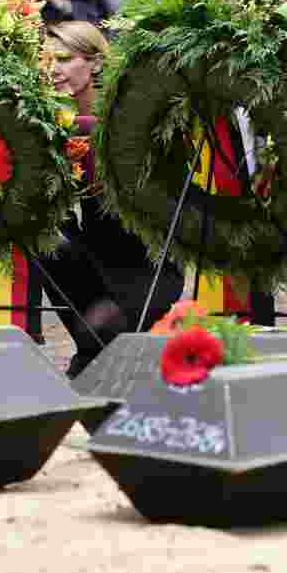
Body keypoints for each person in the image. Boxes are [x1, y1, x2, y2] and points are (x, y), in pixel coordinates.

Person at [40, 22, 185, 376]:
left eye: (65, 59)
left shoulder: (127, 111)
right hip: (94, 260)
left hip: (144, 261)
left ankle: (99, 349)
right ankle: (92, 347)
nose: (54, 69)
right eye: (47, 61)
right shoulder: (47, 121)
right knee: (47, 237)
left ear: (95, 63)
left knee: (112, 332)